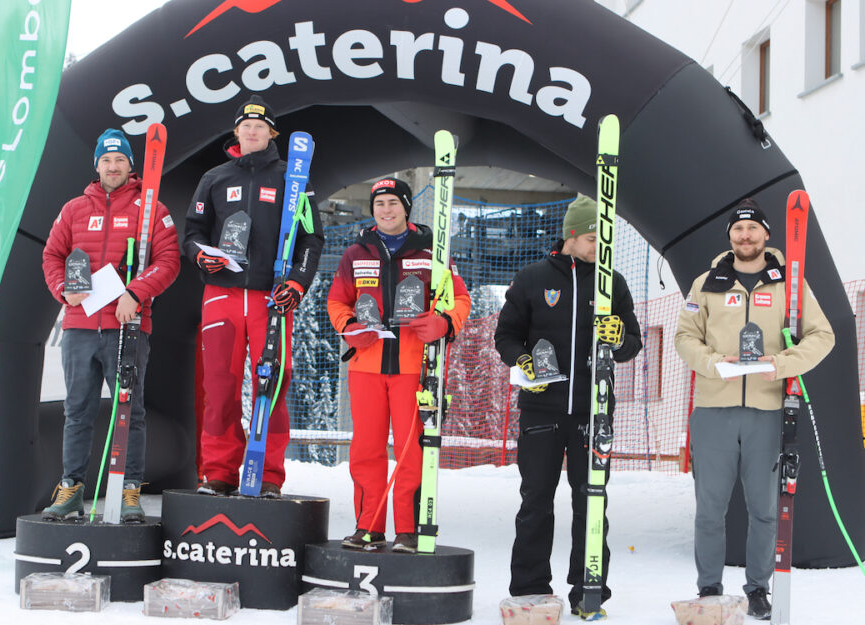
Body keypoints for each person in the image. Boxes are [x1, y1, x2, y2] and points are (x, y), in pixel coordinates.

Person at [674, 198, 833, 620]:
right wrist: (712, 363)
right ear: (729, 235)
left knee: (764, 509)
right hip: (713, 410)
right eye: (738, 230)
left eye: (753, 229)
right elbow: (684, 337)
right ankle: (709, 587)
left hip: (766, 411)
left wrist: (782, 365)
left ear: (766, 234)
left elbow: (822, 335)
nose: (745, 236)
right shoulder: (705, 283)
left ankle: (758, 589)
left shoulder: (790, 284)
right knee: (710, 509)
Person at [494, 194, 642, 619]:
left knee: (591, 499)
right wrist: (521, 361)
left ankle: (588, 587)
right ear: (571, 235)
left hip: (594, 412)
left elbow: (632, 342)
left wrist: (618, 338)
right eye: (592, 237)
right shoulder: (533, 277)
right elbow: (506, 335)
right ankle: (529, 587)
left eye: (603, 239)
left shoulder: (612, 283)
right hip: (542, 408)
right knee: (536, 498)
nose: (599, 246)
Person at [182, 95, 323, 497]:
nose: (252, 131)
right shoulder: (214, 178)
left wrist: (297, 281)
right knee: (219, 387)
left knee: (272, 386)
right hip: (221, 295)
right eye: (245, 126)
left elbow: (312, 239)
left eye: (260, 126)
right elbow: (191, 233)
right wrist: (200, 257)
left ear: (271, 133)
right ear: (236, 132)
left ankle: (268, 474)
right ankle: (220, 472)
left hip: (270, 298)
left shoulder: (293, 178)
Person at [41, 128, 181, 522]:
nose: (113, 167)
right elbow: (52, 256)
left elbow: (168, 261)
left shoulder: (150, 208)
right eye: (107, 160)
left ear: (131, 166)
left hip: (128, 325)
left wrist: (135, 294)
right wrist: (62, 289)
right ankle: (71, 490)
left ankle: (129, 491)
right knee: (77, 410)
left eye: (120, 160)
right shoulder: (73, 209)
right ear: (97, 164)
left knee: (129, 411)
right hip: (80, 326)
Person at [327, 177, 471, 553]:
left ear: (406, 207)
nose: (386, 210)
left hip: (414, 367)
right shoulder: (356, 253)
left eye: (393, 203)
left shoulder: (432, 252)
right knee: (365, 450)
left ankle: (408, 530)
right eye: (379, 204)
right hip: (367, 367)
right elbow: (337, 302)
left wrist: (444, 323)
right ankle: (369, 527)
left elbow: (460, 299)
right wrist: (349, 328)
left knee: (412, 451)